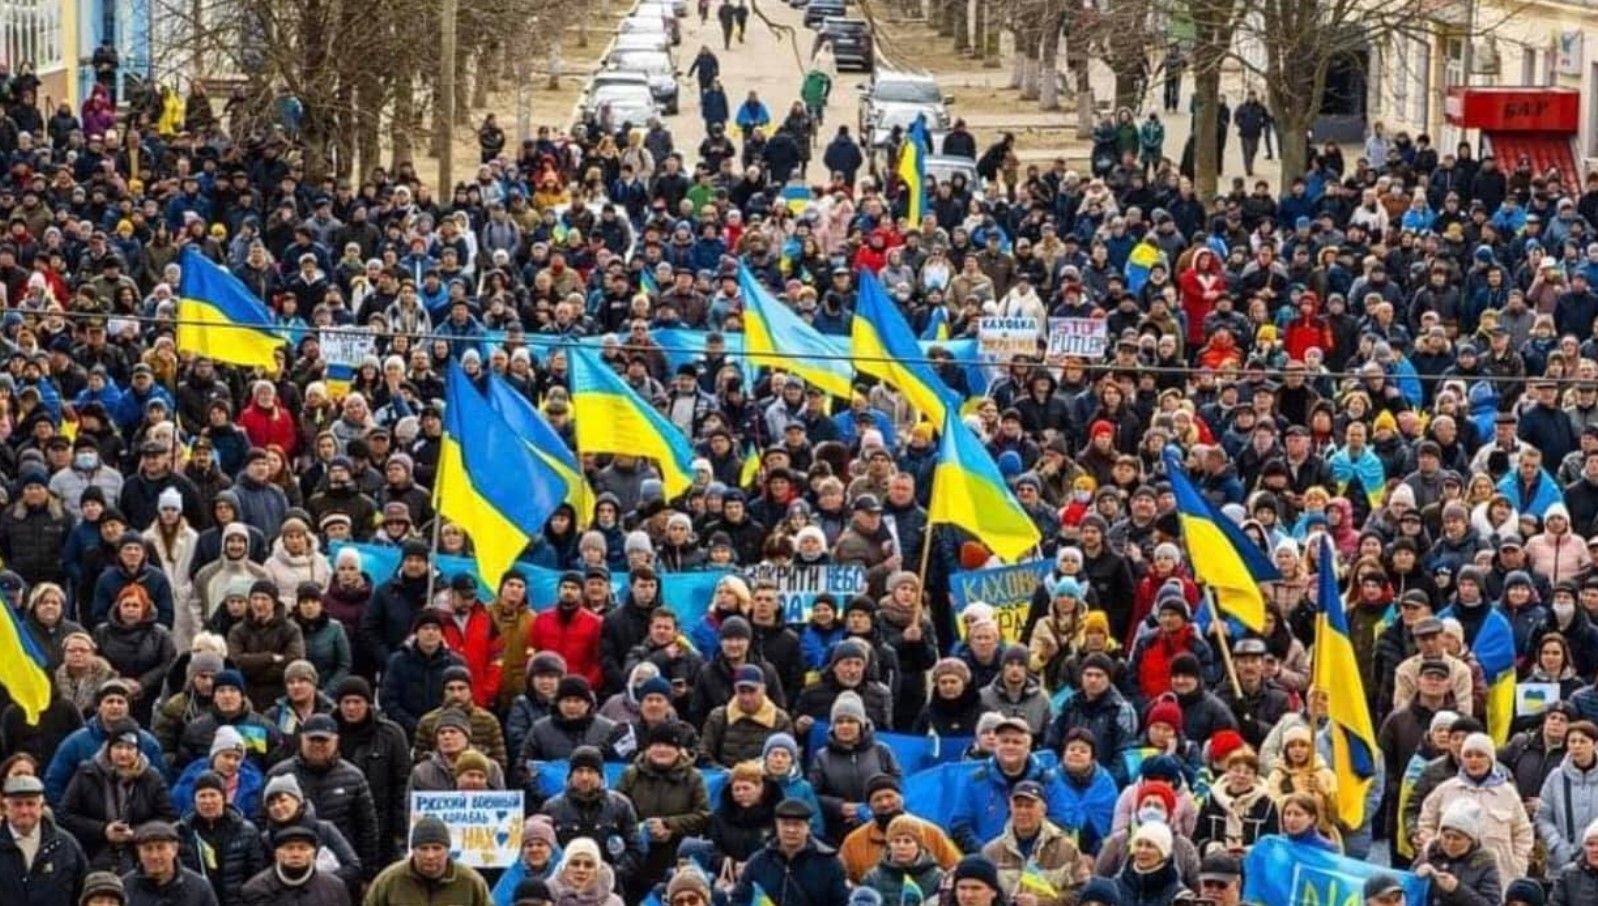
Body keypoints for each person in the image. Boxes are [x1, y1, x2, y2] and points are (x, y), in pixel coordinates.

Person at [0, 774, 89, 906]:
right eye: (17, 804)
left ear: (42, 807)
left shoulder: (66, 846)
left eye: (30, 804)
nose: (24, 811)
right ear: (5, 808)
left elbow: (83, 892)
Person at [364, 815, 490, 906]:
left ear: (447, 850)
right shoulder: (389, 881)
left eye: (437, 848)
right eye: (423, 849)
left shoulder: (471, 882)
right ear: (413, 851)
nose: (430, 855)